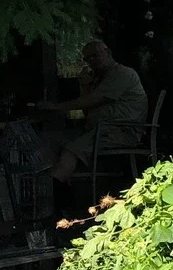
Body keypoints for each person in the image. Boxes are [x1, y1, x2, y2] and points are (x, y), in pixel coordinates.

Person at [42, 41, 149, 185]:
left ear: (108, 52)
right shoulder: (101, 78)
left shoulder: (121, 74)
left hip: (120, 132)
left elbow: (91, 101)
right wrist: (84, 85)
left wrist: (56, 107)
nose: (91, 60)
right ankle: (56, 185)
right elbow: (88, 111)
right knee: (54, 141)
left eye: (95, 55)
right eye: (87, 59)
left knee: (71, 150)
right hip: (100, 130)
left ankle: (56, 191)